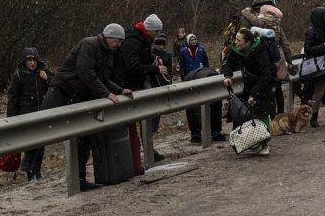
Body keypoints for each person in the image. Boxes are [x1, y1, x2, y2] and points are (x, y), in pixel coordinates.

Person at [42, 24, 134, 191]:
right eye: (117, 41)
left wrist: (119, 90)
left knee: (84, 137)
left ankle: (80, 179)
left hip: (80, 96)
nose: (119, 45)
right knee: (40, 126)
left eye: (121, 42)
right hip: (62, 89)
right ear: (108, 37)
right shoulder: (89, 44)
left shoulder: (108, 53)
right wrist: (106, 93)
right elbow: (85, 72)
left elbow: (103, 78)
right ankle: (30, 168)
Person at [112, 14, 169, 171]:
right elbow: (133, 66)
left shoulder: (143, 39)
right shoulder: (133, 41)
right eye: (156, 32)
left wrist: (154, 60)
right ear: (149, 30)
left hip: (137, 83)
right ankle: (135, 156)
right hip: (127, 86)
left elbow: (143, 58)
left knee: (148, 117)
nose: (158, 35)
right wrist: (155, 69)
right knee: (135, 123)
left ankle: (146, 151)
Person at [221, 28, 275, 156]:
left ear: (248, 42)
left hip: (264, 86)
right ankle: (252, 141)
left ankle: (265, 144)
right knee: (247, 114)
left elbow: (265, 75)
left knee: (261, 114)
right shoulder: (237, 50)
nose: (236, 42)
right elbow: (228, 64)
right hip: (249, 84)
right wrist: (227, 76)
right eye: (236, 39)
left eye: (239, 40)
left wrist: (254, 94)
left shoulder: (260, 51)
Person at [6, 47, 51, 182]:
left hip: (41, 112)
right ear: (24, 62)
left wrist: (47, 78)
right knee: (32, 144)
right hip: (26, 115)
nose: (32, 63)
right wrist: (11, 120)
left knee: (41, 145)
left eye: (34, 60)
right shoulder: (19, 76)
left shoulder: (43, 72)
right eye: (29, 60)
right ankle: (30, 172)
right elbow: (12, 99)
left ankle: (37, 171)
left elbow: (54, 86)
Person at [183, 66, 226, 143]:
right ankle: (195, 134)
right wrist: (204, 127)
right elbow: (199, 111)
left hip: (205, 77)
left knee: (216, 105)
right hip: (191, 80)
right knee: (193, 107)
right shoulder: (207, 82)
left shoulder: (218, 81)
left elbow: (217, 108)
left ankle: (215, 132)